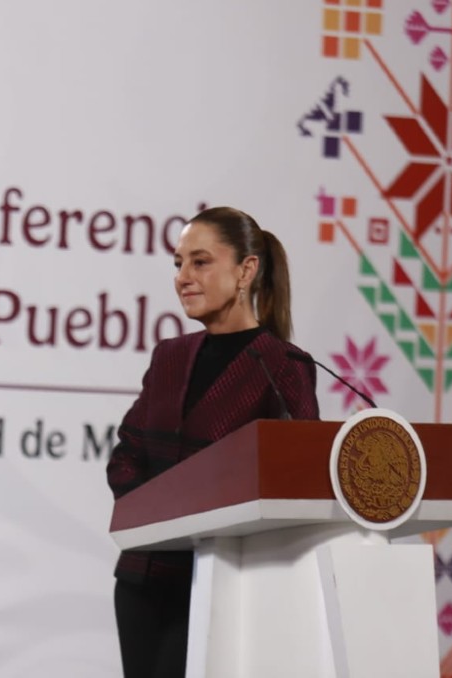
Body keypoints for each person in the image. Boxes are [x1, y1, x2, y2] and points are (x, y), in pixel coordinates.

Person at [105, 206, 320, 677]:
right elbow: (125, 459)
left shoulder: (283, 365)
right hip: (143, 580)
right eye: (178, 263)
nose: (183, 276)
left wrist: (195, 519)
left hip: (224, 584)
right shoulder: (169, 356)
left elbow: (297, 486)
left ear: (247, 269)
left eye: (200, 262)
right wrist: (164, 517)